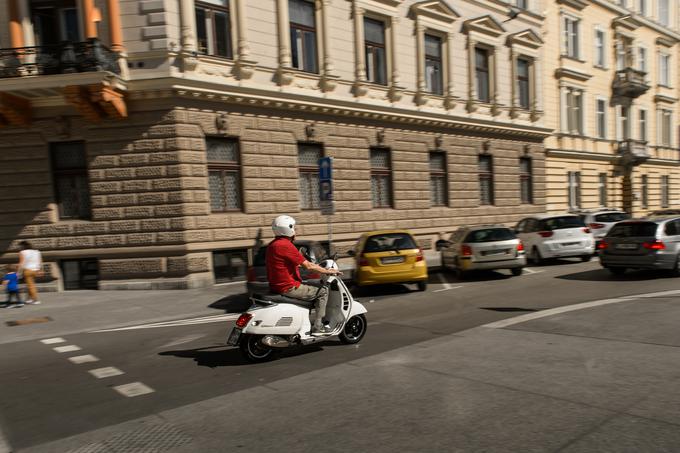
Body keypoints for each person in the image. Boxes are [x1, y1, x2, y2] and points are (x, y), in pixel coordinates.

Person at [266, 215, 340, 334]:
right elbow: (309, 266)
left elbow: (283, 264)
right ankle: (318, 326)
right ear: (288, 229)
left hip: (276, 286)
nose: (296, 230)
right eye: (294, 227)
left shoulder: (272, 245)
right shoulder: (286, 245)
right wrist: (328, 271)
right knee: (323, 291)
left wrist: (300, 265)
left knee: (311, 284)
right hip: (288, 287)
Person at [18, 241, 42, 305]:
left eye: (20, 246)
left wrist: (18, 273)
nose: (19, 248)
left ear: (23, 246)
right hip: (35, 271)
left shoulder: (22, 252)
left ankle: (35, 300)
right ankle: (29, 299)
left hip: (27, 270)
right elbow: (40, 262)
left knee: (31, 286)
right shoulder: (37, 252)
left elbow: (21, 263)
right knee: (30, 285)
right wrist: (40, 270)